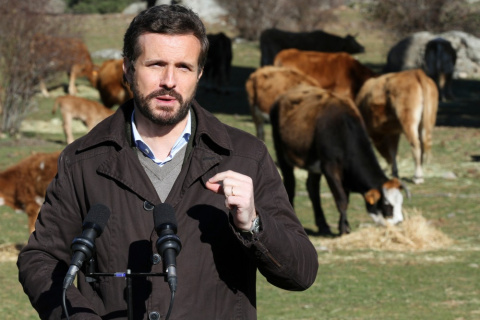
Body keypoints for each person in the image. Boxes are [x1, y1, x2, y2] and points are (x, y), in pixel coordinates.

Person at [17, 4, 318, 319]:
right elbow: (41, 259)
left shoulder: (246, 156)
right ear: (128, 69)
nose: (169, 81)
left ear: (200, 73)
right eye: (156, 64)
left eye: (184, 67)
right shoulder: (82, 161)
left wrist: (254, 224)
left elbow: (302, 274)